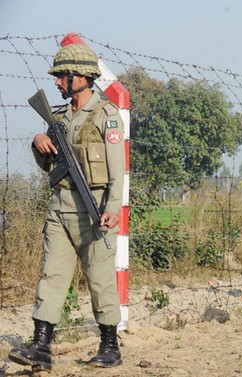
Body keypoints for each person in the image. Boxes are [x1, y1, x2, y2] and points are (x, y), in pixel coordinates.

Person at [9, 43, 125, 370]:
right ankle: (41, 347)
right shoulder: (57, 117)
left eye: (62, 76)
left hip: (95, 211)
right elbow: (49, 165)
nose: (58, 83)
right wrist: (39, 144)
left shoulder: (107, 116)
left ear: (80, 77)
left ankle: (109, 346)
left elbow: (118, 173)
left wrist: (112, 209)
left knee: (100, 279)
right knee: (51, 277)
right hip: (60, 209)